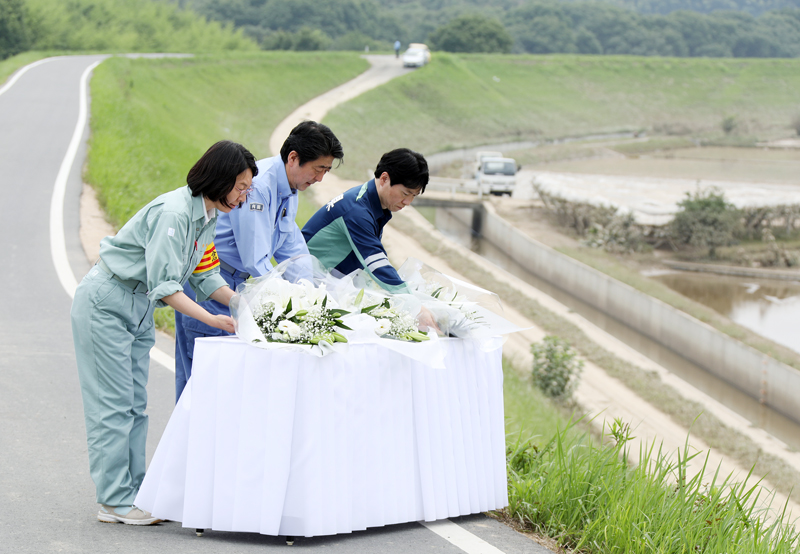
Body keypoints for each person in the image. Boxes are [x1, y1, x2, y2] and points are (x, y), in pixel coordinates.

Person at [71, 140, 258, 525]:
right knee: (113, 408)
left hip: (137, 308)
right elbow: (167, 286)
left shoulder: (207, 215)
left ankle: (133, 492)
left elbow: (204, 274)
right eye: (240, 187)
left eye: (247, 189)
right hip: (108, 301)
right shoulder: (174, 214)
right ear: (220, 178)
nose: (243, 196)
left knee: (135, 408)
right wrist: (212, 319)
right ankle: (113, 500)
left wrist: (242, 303)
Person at [174, 121, 343, 402]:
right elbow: (256, 258)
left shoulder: (289, 189)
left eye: (325, 171)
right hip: (211, 282)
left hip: (238, 286)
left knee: (227, 384)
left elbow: (291, 246)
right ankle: (187, 446)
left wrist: (314, 291)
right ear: (293, 158)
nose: (320, 179)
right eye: (319, 169)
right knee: (200, 380)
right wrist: (290, 299)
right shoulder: (258, 185)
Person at [301, 147, 438, 330]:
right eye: (405, 194)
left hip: (329, 282)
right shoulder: (357, 211)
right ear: (384, 178)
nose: (408, 202)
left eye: (413, 196)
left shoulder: (369, 200)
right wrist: (414, 305)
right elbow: (376, 263)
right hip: (305, 284)